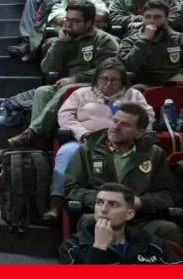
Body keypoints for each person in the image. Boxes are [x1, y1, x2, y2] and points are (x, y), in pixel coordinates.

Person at [47, 61, 153, 222]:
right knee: (66, 152)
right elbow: (65, 116)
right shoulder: (81, 93)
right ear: (97, 79)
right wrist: (83, 134)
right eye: (104, 78)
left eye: (114, 79)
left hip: (124, 142)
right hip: (85, 141)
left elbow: (147, 118)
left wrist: (133, 135)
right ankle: (57, 202)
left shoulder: (134, 96)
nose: (108, 83)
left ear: (122, 81)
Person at [65, 104, 181, 246]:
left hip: (142, 218)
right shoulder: (88, 150)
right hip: (102, 216)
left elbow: (168, 194)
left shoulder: (154, 154)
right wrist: (104, 201)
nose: (116, 127)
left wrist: (140, 202)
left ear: (140, 132)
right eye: (115, 121)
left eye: (125, 124)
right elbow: (71, 187)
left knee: (167, 229)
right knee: (90, 222)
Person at [9, 1, 119, 148]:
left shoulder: (104, 40)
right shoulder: (64, 39)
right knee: (42, 92)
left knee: (68, 89)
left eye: (75, 21)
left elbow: (107, 71)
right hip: (69, 85)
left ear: (89, 23)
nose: (68, 24)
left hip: (96, 87)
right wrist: (60, 43)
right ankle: (40, 145)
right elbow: (46, 68)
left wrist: (75, 78)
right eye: (67, 19)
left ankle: (32, 133)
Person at [59, 184, 181, 265]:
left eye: (113, 204)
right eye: (99, 202)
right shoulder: (71, 248)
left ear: (129, 214)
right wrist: (99, 247)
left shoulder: (152, 244)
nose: (104, 209)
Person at [118, 0, 183, 86]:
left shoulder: (179, 39)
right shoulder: (130, 40)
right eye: (147, 17)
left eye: (157, 17)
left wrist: (181, 74)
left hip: (173, 84)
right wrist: (144, 40)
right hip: (142, 85)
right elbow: (128, 66)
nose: (151, 21)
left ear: (166, 20)